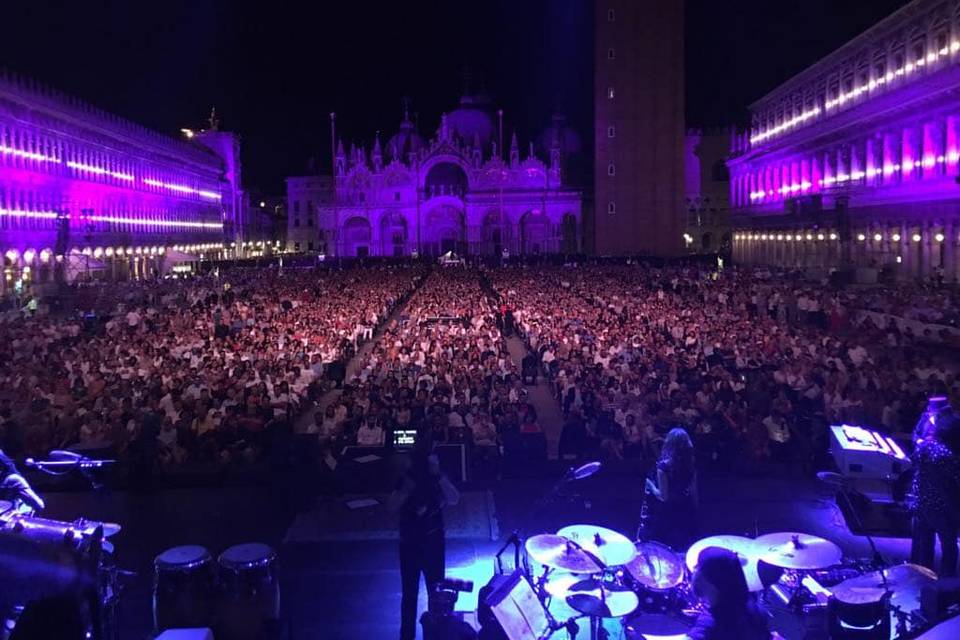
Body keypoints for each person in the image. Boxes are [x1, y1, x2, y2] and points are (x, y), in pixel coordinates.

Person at [387, 431, 460, 640]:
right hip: (410, 543)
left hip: (433, 542)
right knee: (409, 595)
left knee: (436, 595)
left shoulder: (436, 475)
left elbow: (454, 498)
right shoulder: (407, 476)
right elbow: (391, 506)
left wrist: (437, 474)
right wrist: (406, 487)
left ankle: (435, 634)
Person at [909, 413, 960, 577]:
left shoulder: (923, 448)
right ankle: (946, 585)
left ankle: (922, 583)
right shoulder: (949, 457)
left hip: (921, 504)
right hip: (942, 509)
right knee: (949, 547)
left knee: (925, 546)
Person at [688, 546, 771, 640]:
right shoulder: (756, 608)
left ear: (709, 582)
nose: (694, 569)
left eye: (698, 568)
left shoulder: (710, 625)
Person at [644, 428, 698, 549]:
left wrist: (650, 485)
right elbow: (694, 493)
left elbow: (663, 497)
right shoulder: (691, 466)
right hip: (685, 509)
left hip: (668, 513)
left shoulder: (663, 467)